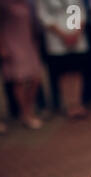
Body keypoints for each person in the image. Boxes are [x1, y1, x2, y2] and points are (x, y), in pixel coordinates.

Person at [36, 0, 89, 119]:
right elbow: (44, 16)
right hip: (57, 40)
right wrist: (63, 35)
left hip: (76, 37)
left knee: (77, 71)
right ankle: (68, 105)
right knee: (63, 72)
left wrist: (75, 33)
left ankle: (77, 103)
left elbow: (80, 11)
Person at [0, 0, 43, 130]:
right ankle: (25, 114)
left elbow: (34, 23)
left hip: (27, 41)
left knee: (36, 77)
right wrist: (2, 46)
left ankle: (28, 111)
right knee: (18, 80)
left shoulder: (28, 3)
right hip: (11, 42)